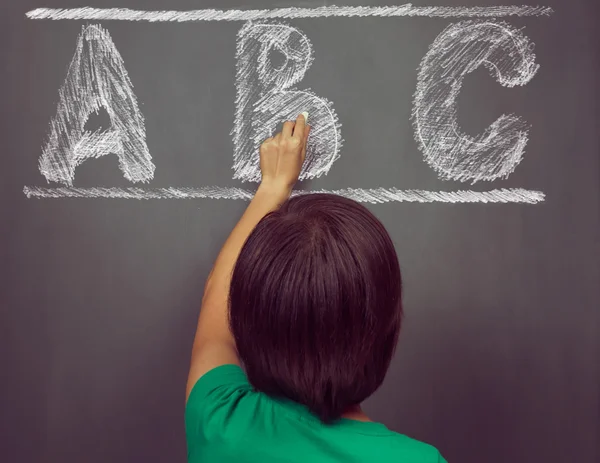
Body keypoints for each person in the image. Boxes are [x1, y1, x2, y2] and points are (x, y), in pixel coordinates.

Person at [185, 113, 447, 462]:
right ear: (388, 332)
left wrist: (272, 188)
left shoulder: (221, 426)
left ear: (246, 321)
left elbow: (216, 299)